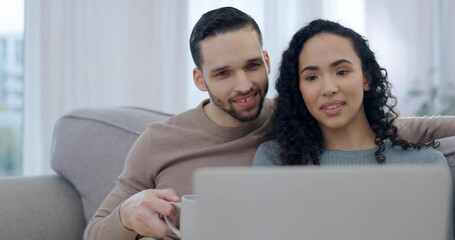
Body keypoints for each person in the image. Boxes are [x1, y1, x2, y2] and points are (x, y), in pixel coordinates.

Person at [85, 8, 455, 240]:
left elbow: (380, 130)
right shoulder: (159, 142)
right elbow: (95, 232)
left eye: (250, 66)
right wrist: (128, 216)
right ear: (200, 79)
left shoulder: (299, 112)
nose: (244, 85)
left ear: (265, 60)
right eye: (223, 73)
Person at [251, 19, 453, 239]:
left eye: (341, 72)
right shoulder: (275, 161)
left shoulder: (427, 165)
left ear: (365, 77)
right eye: (311, 77)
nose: (328, 88)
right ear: (298, 89)